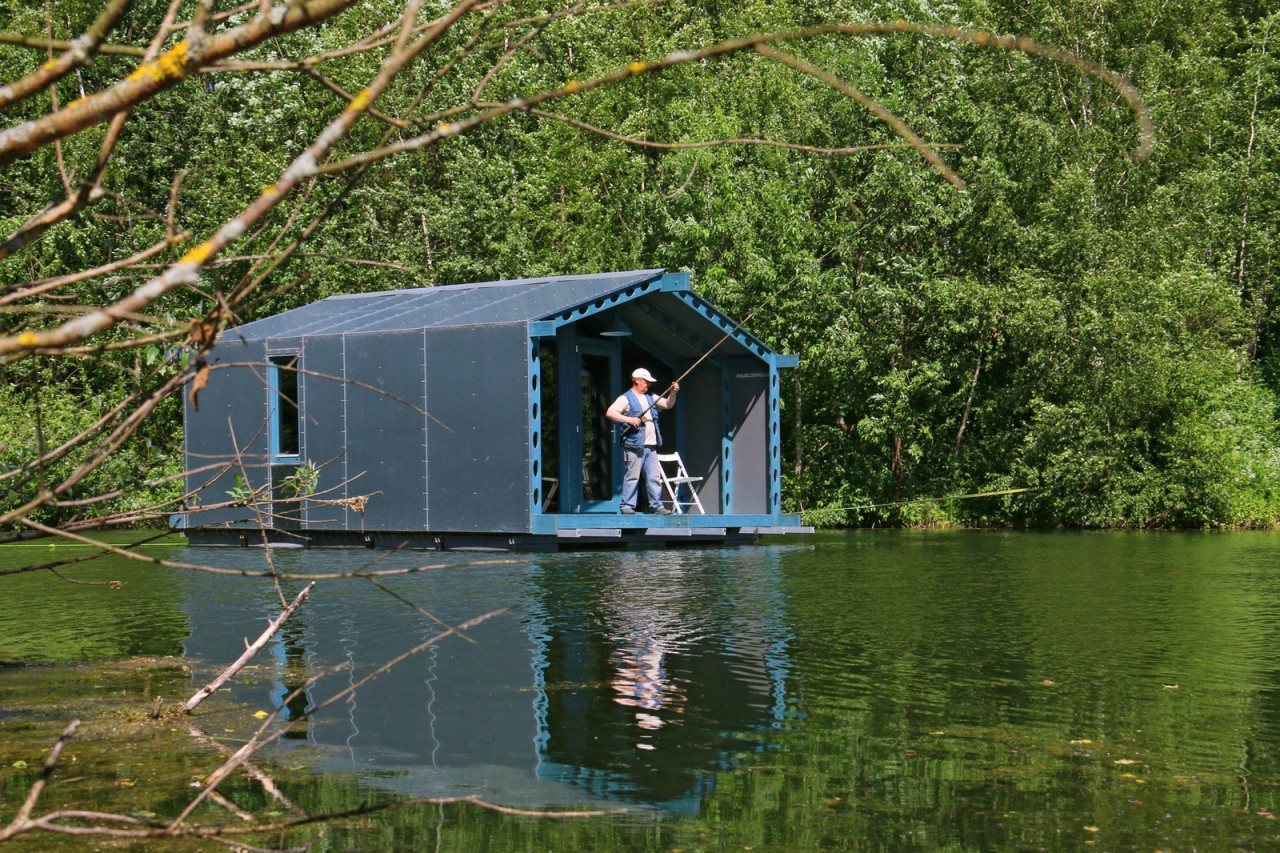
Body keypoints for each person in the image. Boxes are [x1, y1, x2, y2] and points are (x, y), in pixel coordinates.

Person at [606, 368, 679, 515]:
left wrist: (673, 393)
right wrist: (629, 419)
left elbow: (668, 404)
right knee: (632, 476)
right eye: (646, 382)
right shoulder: (625, 398)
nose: (648, 385)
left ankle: (656, 506)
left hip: (651, 445)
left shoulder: (651, 397)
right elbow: (610, 412)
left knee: (654, 477)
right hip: (634, 445)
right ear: (637, 380)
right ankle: (627, 506)